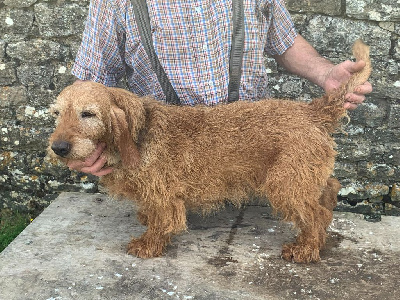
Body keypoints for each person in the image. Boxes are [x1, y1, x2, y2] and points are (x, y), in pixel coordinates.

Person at [67, 0, 372, 176]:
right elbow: (91, 81)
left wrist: (326, 72)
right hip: (162, 169)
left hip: (251, 161)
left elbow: (283, 40)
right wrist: (82, 142)